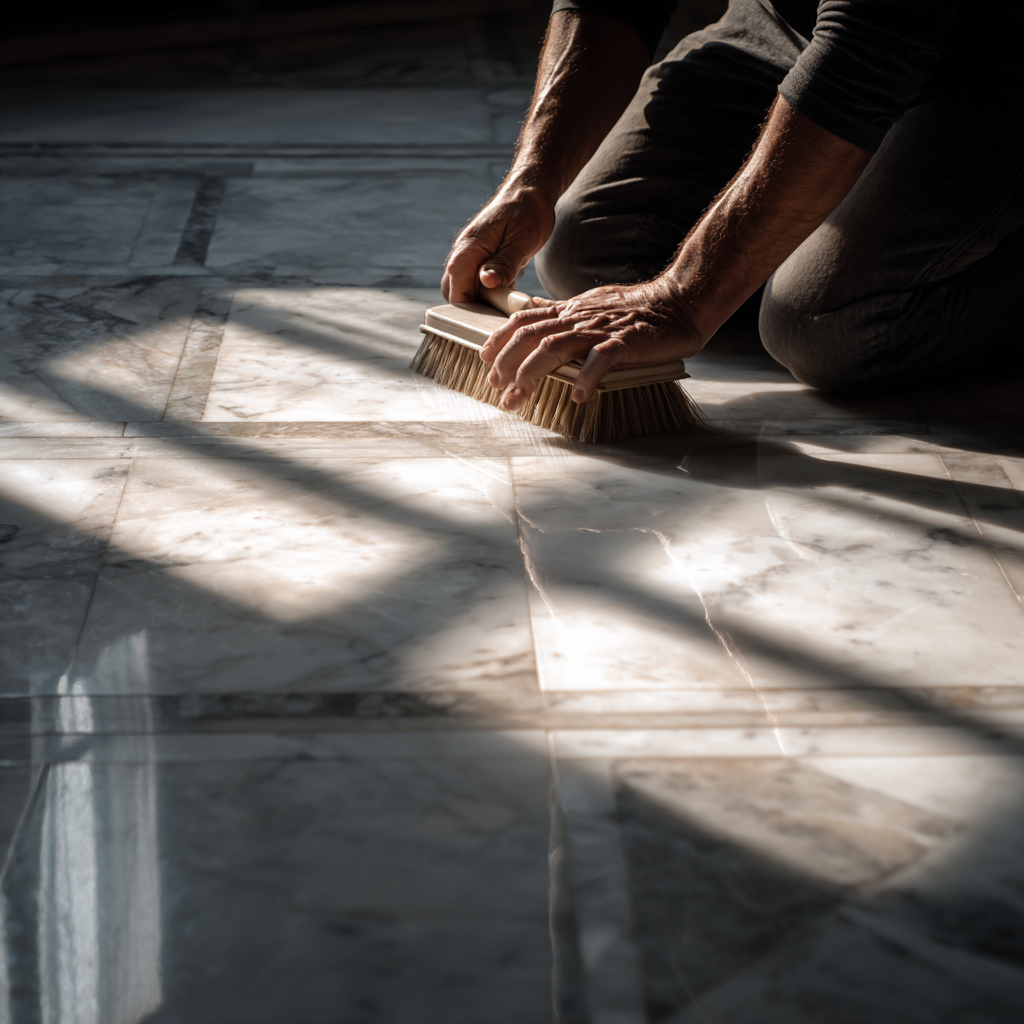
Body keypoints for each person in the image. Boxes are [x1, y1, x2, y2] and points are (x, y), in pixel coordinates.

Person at [441, 0, 1023, 412]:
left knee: (826, 329)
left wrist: (686, 295)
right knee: (588, 250)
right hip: (785, 27)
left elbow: (870, 50)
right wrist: (534, 177)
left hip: (987, 56)